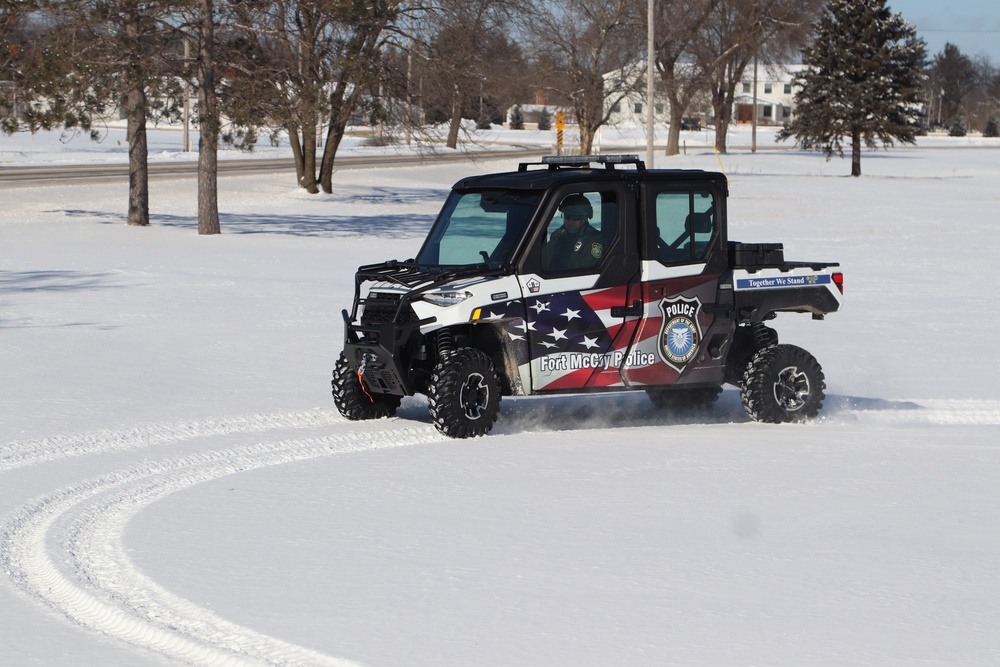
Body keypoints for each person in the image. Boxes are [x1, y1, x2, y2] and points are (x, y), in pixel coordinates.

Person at [541, 194, 604, 272]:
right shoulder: (558, 236)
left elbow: (583, 271)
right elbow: (544, 262)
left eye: (575, 218)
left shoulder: (594, 240)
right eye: (568, 217)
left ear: (585, 218)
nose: (571, 222)